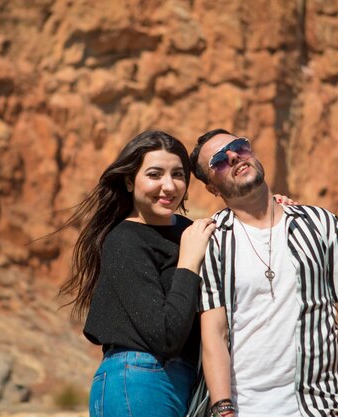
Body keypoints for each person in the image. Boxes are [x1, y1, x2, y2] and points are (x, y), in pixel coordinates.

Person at [189, 129, 338, 417]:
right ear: (212, 187)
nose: (234, 156)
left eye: (239, 147)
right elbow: (214, 332)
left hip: (321, 407)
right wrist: (223, 409)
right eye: (220, 161)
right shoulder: (211, 241)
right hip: (246, 409)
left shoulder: (322, 224)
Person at [58, 130, 216, 417]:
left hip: (184, 381)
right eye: (155, 174)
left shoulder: (189, 231)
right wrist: (189, 262)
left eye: (178, 175)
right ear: (130, 181)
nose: (168, 186)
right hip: (140, 379)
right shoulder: (125, 240)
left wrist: (275, 210)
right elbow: (164, 336)